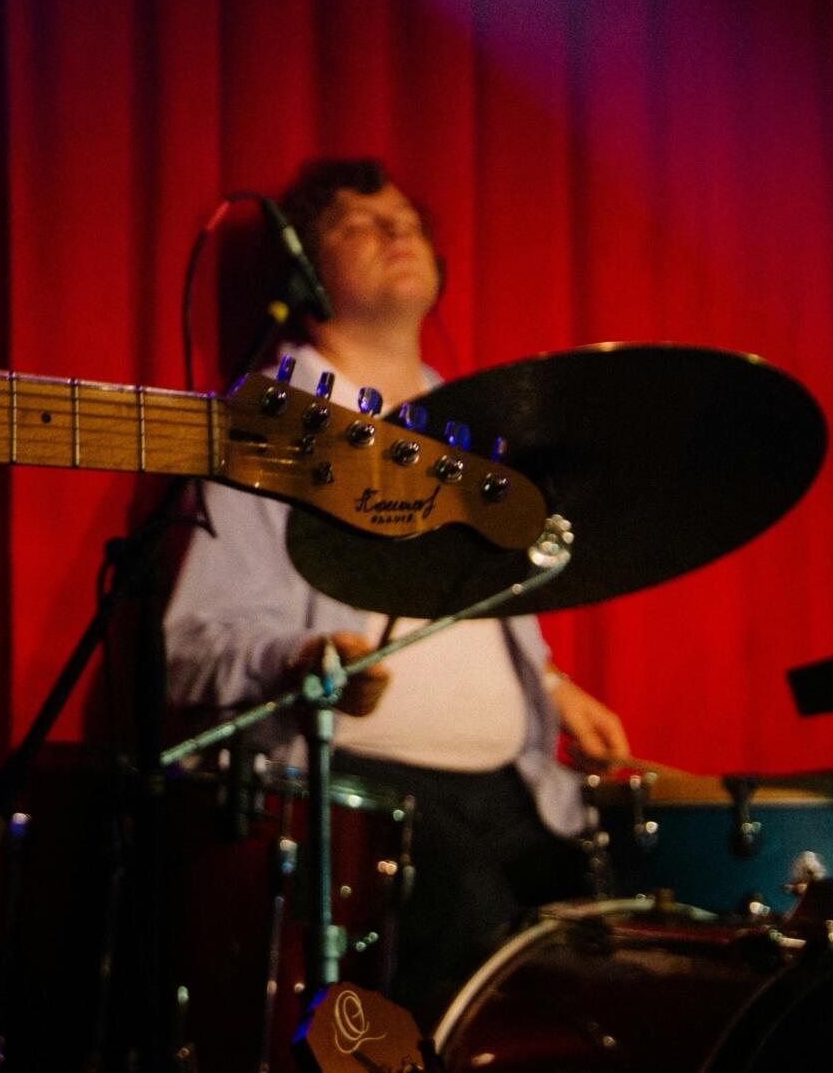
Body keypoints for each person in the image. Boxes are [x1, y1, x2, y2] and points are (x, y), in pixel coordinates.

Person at [163, 157, 633, 1028]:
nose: (397, 231)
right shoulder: (274, 422)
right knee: (466, 915)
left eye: (407, 217)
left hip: (510, 784)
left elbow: (476, 604)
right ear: (305, 274)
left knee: (623, 930)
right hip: (352, 796)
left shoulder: (477, 426)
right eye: (356, 223)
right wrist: (300, 656)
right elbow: (192, 644)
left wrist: (551, 685)